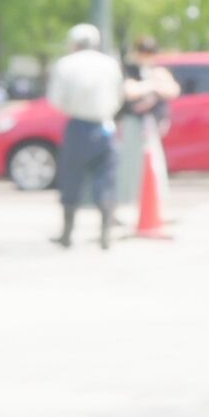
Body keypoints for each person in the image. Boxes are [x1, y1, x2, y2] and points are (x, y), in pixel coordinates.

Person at [45, 23, 124, 249]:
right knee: (105, 180)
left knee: (72, 179)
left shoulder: (66, 65)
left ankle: (67, 233)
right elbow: (119, 96)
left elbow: (56, 99)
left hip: (78, 125)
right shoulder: (110, 64)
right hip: (105, 125)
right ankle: (105, 234)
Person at [115, 36, 180, 211]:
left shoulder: (156, 70)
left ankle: (156, 206)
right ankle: (125, 205)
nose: (146, 56)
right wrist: (152, 85)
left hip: (151, 124)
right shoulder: (129, 69)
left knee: (155, 164)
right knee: (129, 165)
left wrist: (155, 83)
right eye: (143, 52)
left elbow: (172, 90)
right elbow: (129, 91)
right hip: (131, 122)